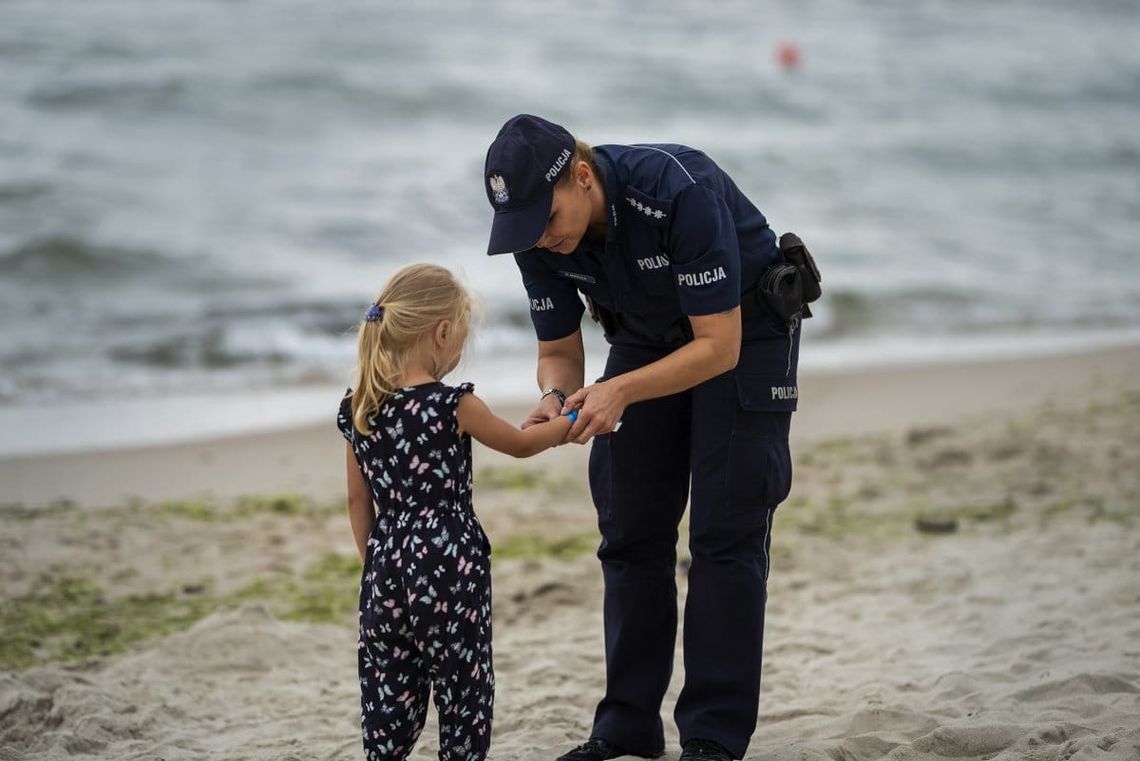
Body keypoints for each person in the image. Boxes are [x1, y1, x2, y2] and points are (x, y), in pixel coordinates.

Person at [482, 115, 816, 761]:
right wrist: (556, 394)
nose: (540, 238)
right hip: (642, 333)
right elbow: (557, 347)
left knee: (725, 533)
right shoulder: (536, 232)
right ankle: (627, 725)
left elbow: (718, 347)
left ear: (581, 176)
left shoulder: (674, 190)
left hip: (745, 332)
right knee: (630, 533)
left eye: (547, 219)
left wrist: (621, 389)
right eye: (525, 226)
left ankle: (713, 736)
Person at [337, 263, 574, 761]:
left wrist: (376, 563)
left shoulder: (359, 407)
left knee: (389, 682)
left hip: (385, 566)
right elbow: (522, 445)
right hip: (448, 565)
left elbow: (359, 501)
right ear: (441, 333)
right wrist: (573, 418)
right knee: (462, 682)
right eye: (460, 340)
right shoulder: (454, 406)